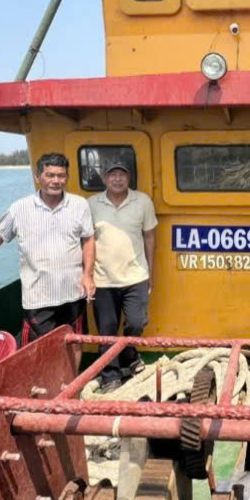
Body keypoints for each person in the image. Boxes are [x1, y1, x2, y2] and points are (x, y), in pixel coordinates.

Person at [0, 152, 95, 342]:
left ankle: (73, 364)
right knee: (41, 347)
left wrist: (87, 275)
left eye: (61, 176)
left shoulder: (79, 205)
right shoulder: (20, 208)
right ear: (37, 177)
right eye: (50, 175)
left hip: (73, 291)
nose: (56, 181)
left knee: (75, 341)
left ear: (67, 177)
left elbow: (88, 240)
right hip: (38, 295)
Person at [88, 159, 158, 392]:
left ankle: (128, 352)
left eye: (122, 174)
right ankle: (110, 375)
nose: (117, 179)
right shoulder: (91, 204)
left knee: (137, 323)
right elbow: (86, 241)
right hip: (102, 279)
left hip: (136, 276)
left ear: (129, 178)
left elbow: (149, 237)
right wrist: (86, 274)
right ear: (104, 178)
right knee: (106, 331)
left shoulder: (143, 201)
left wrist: (150, 272)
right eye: (112, 174)